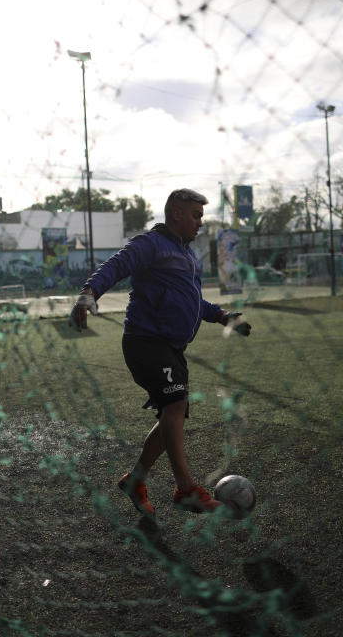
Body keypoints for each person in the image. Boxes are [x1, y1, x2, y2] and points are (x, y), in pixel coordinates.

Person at [70, 188, 252, 517]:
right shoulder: (151, 243)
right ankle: (186, 490)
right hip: (146, 341)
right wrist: (89, 293)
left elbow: (194, 302)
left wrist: (223, 316)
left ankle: (136, 480)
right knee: (175, 404)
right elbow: (116, 264)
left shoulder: (187, 256)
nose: (200, 222)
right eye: (196, 215)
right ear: (176, 214)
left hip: (171, 348)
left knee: (174, 413)